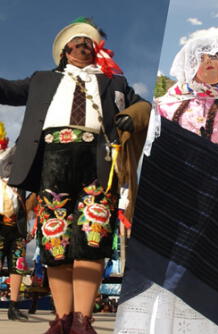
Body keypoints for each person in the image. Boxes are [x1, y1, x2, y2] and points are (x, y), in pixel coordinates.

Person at [0, 18, 150, 333]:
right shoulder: (42, 79)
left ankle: (83, 319)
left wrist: (128, 117)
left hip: (99, 158)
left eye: (90, 42)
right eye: (77, 41)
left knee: (92, 238)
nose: (84, 45)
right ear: (65, 52)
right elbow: (8, 90)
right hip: (52, 158)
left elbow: (143, 107)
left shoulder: (115, 81)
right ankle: (62, 318)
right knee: (55, 239)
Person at [114, 35, 218, 334]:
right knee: (165, 269)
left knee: (209, 267)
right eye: (201, 57)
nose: (210, 61)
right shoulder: (167, 103)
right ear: (188, 64)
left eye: (216, 56)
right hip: (176, 201)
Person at [0, 126, 30, 321]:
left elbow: (21, 146)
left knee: (17, 265)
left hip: (17, 224)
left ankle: (14, 306)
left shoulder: (18, 169)